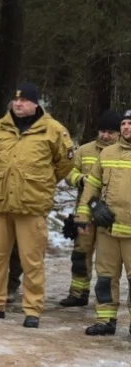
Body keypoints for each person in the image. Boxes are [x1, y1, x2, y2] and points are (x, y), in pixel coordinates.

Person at [0, 83, 75, 328]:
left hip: (32, 205)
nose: (18, 104)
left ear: (36, 103)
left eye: (24, 100)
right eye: (16, 100)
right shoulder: (0, 127)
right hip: (0, 204)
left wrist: (44, 180)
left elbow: (66, 163)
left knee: (32, 260)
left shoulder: (53, 130)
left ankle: (32, 309)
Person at [76, 108, 131, 336]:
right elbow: (92, 186)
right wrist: (92, 209)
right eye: (125, 124)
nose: (127, 127)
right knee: (106, 277)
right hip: (107, 229)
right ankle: (105, 319)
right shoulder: (107, 153)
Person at [61, 109, 119, 310]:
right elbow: (69, 172)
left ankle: (105, 302)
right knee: (80, 253)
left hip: (110, 216)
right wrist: (81, 180)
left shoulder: (123, 153)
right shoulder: (85, 150)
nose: (105, 135)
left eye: (111, 132)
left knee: (107, 261)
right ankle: (78, 293)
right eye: (102, 131)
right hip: (85, 209)